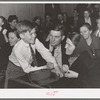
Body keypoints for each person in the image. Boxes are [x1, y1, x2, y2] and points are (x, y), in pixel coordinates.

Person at [4, 20, 63, 88]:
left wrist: (56, 66)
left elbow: (45, 53)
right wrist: (45, 67)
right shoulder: (17, 49)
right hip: (14, 70)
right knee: (13, 88)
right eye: (31, 34)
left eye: (35, 33)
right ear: (22, 36)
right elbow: (27, 69)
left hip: (28, 67)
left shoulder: (35, 40)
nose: (34, 36)